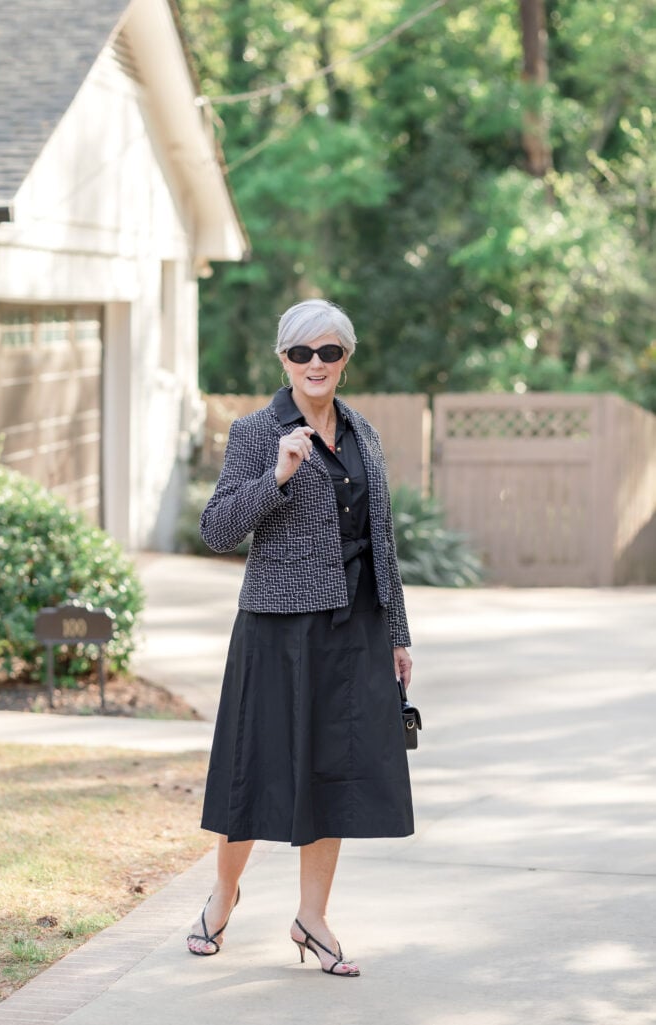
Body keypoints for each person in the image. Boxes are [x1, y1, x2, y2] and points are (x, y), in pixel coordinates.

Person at [186, 298, 414, 977]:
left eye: (329, 352)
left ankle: (310, 918)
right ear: (282, 359)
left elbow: (383, 541)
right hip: (278, 627)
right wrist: (277, 477)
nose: (315, 364)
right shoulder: (256, 431)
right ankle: (221, 893)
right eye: (301, 353)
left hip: (355, 624)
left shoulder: (363, 433)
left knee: (333, 772)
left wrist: (397, 631)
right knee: (255, 767)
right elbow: (216, 527)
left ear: (345, 357)